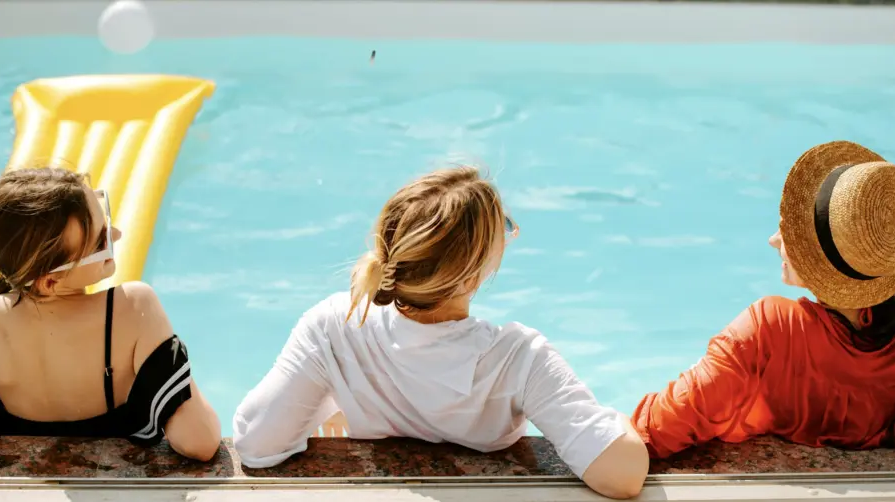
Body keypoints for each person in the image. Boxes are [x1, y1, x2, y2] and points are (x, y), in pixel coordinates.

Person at [233, 166, 649, 499]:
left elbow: (256, 445)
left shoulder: (337, 326)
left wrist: (329, 399)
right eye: (503, 230)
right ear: (471, 274)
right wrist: (616, 421)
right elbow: (622, 476)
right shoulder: (517, 359)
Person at [632, 140, 895, 458]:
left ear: (818, 259)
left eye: (793, 232)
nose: (773, 240)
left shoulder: (771, 331)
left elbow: (656, 431)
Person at [0, 167, 221, 461]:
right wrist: (171, 362)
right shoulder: (132, 309)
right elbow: (199, 441)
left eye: (106, 219)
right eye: (100, 240)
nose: (117, 234)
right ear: (50, 282)